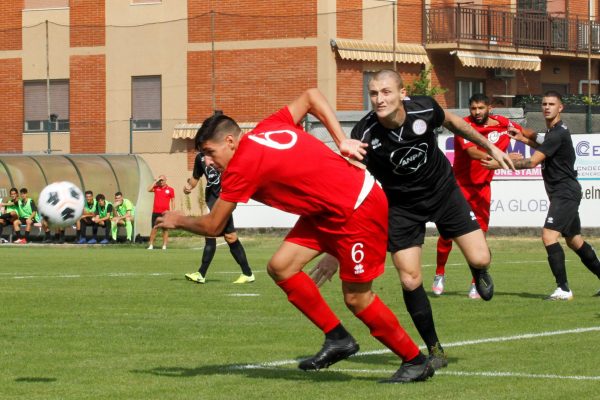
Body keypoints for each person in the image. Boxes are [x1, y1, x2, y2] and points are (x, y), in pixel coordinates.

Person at [156, 88, 435, 383]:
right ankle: (338, 338)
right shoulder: (268, 127)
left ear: (229, 141)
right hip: (325, 210)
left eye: (210, 153)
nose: (209, 162)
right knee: (281, 266)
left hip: (357, 209)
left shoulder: (242, 166)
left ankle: (414, 360)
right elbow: (312, 96)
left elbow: (214, 226)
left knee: (357, 298)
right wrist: (341, 141)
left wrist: (179, 219)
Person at [309, 70, 514, 370]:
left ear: (402, 93)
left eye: (386, 92)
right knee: (409, 279)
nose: (379, 99)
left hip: (444, 192)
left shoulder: (424, 108)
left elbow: (454, 123)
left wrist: (491, 147)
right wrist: (334, 251)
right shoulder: (364, 135)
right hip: (401, 208)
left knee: (481, 257)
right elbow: (353, 190)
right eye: (374, 93)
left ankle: (479, 270)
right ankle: (435, 349)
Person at [483, 91, 600, 300]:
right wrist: (522, 139)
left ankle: (563, 289)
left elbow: (532, 162)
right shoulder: (555, 132)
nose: (547, 107)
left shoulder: (557, 133)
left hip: (565, 192)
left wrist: (499, 163)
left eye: (552, 104)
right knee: (574, 241)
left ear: (560, 108)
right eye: (544, 104)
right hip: (563, 192)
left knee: (548, 235)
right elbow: (541, 144)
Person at [433, 94, 523, 299]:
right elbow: (473, 152)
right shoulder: (463, 126)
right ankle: (439, 274)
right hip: (458, 187)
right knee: (447, 234)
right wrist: (504, 158)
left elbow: (522, 132)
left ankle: (476, 282)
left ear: (489, 108)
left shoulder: (502, 124)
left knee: (480, 237)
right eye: (473, 108)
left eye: (481, 108)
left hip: (482, 189)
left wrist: (538, 147)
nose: (477, 112)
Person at [183, 151, 254, 284]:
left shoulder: (223, 153)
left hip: (223, 200)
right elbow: (195, 177)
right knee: (230, 237)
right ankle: (247, 273)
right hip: (212, 200)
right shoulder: (200, 158)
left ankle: (201, 274)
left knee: (211, 232)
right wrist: (189, 187)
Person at [147, 175, 175, 250]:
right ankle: (151, 245)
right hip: (155, 212)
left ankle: (164, 246)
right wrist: (155, 181)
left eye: (162, 180)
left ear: (166, 180)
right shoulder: (156, 187)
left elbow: (173, 200)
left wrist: (172, 212)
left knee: (165, 229)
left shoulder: (170, 189)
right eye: (160, 180)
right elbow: (148, 189)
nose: (161, 181)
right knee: (154, 228)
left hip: (165, 213)